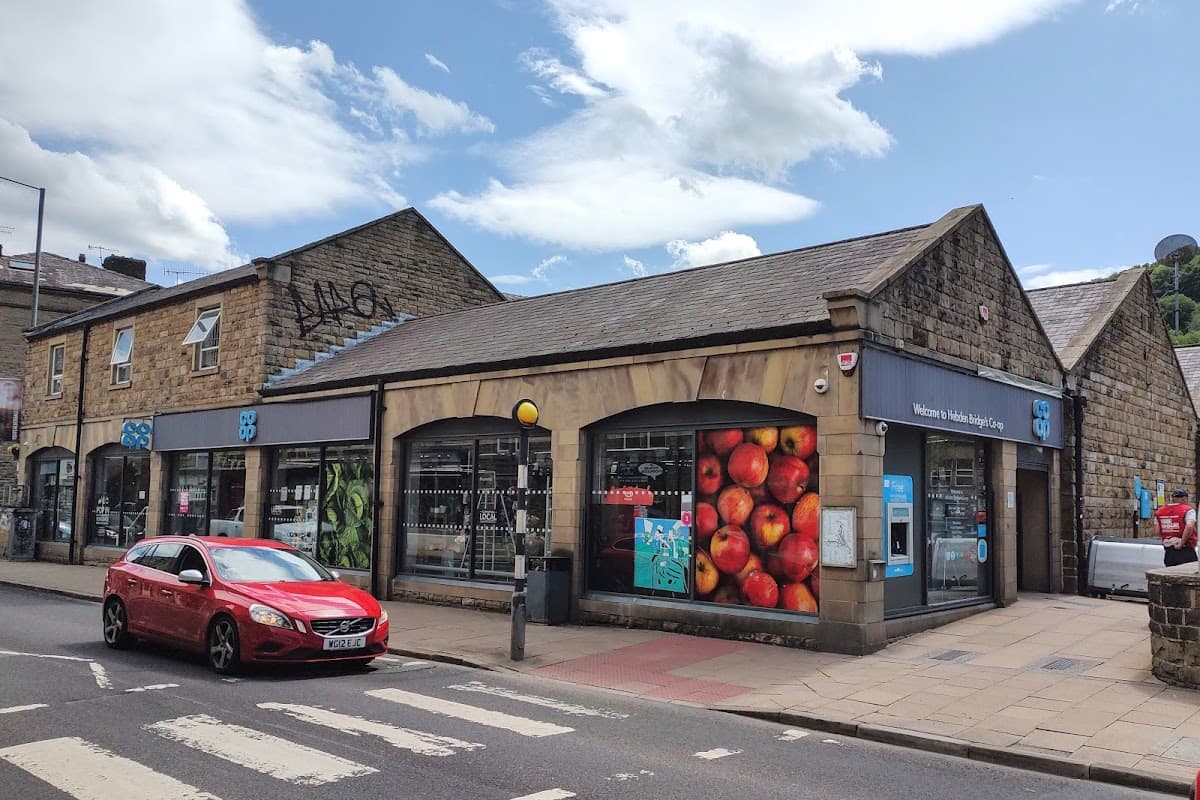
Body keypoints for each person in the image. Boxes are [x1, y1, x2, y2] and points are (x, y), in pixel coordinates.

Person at [1154, 488, 1198, 567]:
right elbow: (1189, 525)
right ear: (1184, 498)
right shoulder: (1188, 510)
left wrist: (1168, 539)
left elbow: (1157, 532)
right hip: (1186, 549)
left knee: (1171, 574)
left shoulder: (1159, 511)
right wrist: (1181, 543)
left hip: (1169, 552)